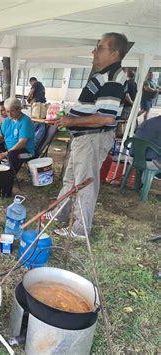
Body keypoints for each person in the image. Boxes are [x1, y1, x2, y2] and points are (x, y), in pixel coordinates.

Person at [49, 32, 129, 238]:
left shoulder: (113, 78)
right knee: (70, 180)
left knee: (85, 183)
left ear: (115, 53)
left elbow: (106, 118)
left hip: (93, 138)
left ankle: (80, 229)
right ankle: (59, 214)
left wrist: (71, 121)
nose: (94, 51)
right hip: (84, 138)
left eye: (100, 48)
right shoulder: (102, 75)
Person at [0, 98, 35, 172]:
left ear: (19, 109)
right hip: (8, 149)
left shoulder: (26, 121)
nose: (9, 114)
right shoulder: (7, 120)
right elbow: (0, 136)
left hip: (26, 152)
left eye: (12, 111)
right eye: (7, 111)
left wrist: (5, 154)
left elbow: (22, 143)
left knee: (11, 155)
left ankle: (10, 175)